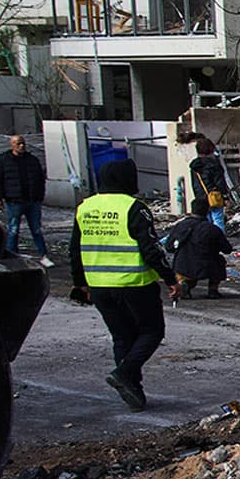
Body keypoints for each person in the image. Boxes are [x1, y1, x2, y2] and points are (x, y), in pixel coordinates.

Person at [70, 160, 178, 411]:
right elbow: (151, 249)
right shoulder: (134, 208)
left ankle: (134, 389)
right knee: (152, 331)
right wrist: (170, 278)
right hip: (134, 283)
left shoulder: (85, 207)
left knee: (122, 337)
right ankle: (125, 373)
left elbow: (74, 250)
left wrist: (80, 283)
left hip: (99, 285)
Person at [0, 135, 49, 258]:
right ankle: (11, 254)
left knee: (36, 229)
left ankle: (43, 254)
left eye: (23, 143)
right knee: (13, 230)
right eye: (18, 143)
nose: (21, 146)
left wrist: (40, 196)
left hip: (32, 200)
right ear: (12, 145)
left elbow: (40, 179)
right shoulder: (3, 161)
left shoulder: (32, 160)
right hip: (14, 201)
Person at [165, 210, 232, 300]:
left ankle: (184, 284)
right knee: (220, 260)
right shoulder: (212, 228)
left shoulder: (180, 226)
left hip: (183, 266)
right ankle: (213, 289)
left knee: (184, 273)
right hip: (207, 266)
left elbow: (169, 247)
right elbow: (227, 249)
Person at [189, 136, 232, 231]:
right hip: (214, 196)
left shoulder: (194, 166)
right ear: (211, 149)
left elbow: (195, 184)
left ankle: (206, 240)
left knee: (205, 221)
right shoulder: (214, 164)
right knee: (218, 220)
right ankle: (219, 241)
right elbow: (219, 182)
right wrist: (225, 196)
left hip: (201, 197)